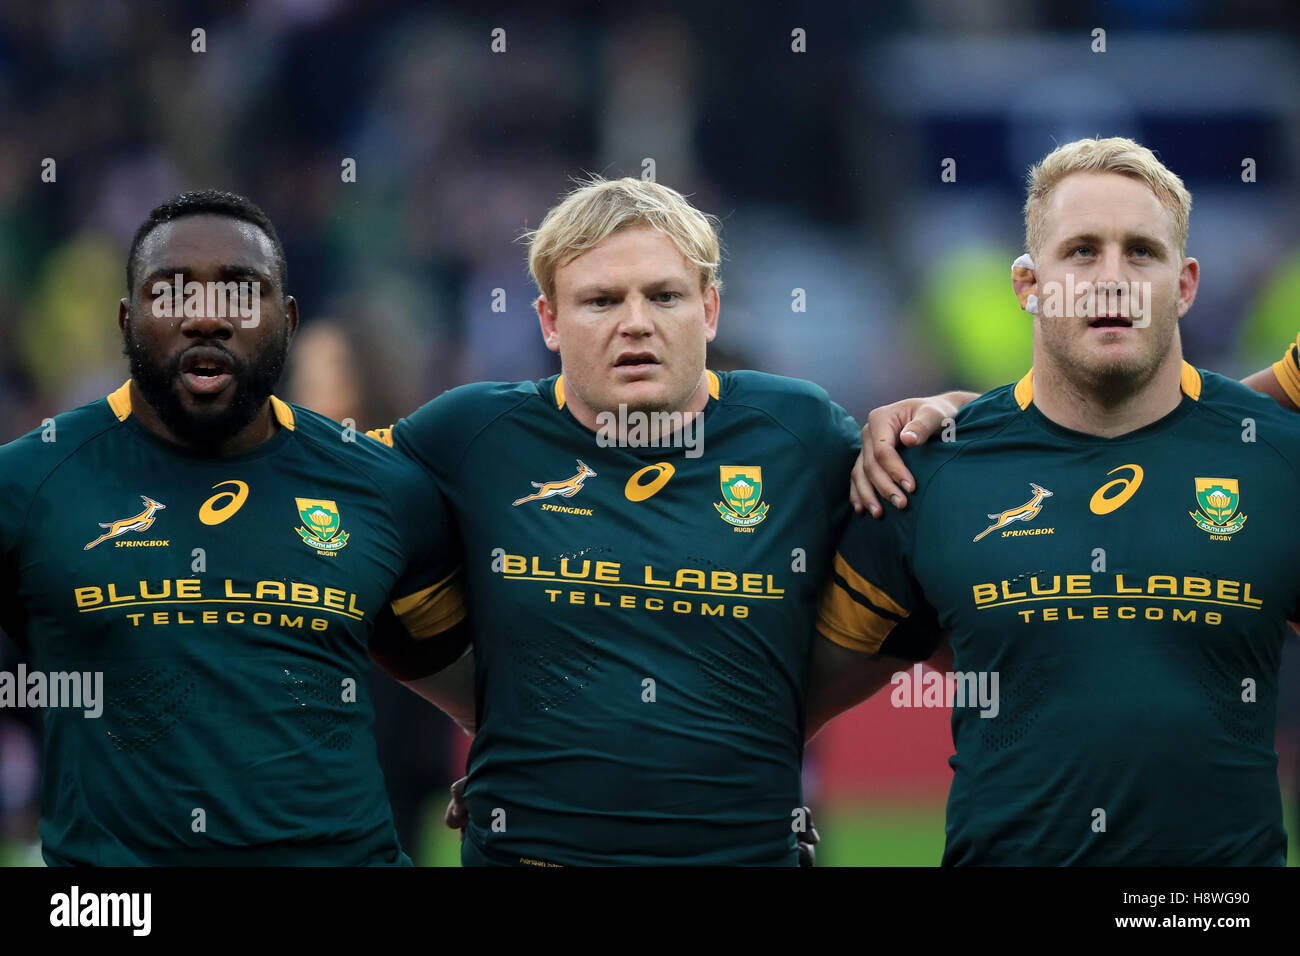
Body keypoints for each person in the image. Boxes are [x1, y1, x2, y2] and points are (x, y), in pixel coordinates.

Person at [369, 176, 928, 865]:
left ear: (710, 308)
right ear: (548, 321)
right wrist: (492, 722)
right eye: (601, 300)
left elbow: (939, 501)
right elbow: (320, 484)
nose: (636, 322)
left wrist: (950, 409)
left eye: (664, 296)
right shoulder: (471, 434)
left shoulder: (800, 433)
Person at [812, 137, 1300, 864]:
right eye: (1081, 252)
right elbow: (774, 704)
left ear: (1187, 283)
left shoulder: (1279, 462)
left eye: (1142, 252)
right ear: (1027, 285)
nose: (1113, 278)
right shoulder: (927, 473)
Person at [0, 190, 468, 865]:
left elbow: (472, 687)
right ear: (128, 321)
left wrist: (507, 771)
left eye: (242, 293)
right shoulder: (26, 484)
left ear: (288, 319)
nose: (206, 318)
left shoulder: (386, 487)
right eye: (171, 293)